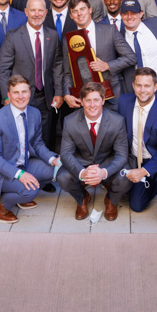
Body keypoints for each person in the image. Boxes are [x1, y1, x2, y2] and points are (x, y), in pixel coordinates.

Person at [0, 75, 61, 223]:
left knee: (56, 170)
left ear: (30, 93)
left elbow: (37, 143)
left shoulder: (34, 113)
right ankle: (0, 202)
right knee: (31, 191)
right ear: (9, 95)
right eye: (16, 93)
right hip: (0, 171)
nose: (21, 96)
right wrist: (20, 175)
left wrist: (53, 159)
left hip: (24, 163)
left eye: (24, 92)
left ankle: (18, 190)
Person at [0, 0, 64, 152]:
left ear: (46, 12)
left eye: (40, 10)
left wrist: (59, 91)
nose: (37, 14)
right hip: (20, 97)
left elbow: (57, 64)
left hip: (46, 97)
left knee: (45, 138)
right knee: (21, 139)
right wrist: (7, 96)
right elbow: (3, 69)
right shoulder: (13, 36)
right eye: (33, 10)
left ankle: (46, 172)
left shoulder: (52, 35)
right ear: (26, 12)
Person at [57, 82, 131, 221]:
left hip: (106, 162)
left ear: (103, 100)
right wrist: (82, 172)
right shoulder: (70, 121)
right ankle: (82, 198)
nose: (92, 105)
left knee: (125, 176)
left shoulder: (117, 121)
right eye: (88, 100)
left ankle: (111, 200)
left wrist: (104, 172)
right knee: (63, 177)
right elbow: (66, 153)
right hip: (82, 163)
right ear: (82, 101)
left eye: (96, 100)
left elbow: (122, 155)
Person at [119, 68, 157, 233]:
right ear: (133, 85)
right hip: (137, 157)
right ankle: (152, 183)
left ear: (156, 87)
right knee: (137, 206)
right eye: (139, 85)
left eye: (147, 86)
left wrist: (143, 171)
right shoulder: (124, 102)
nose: (142, 90)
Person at [62, 0, 137, 109]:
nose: (79, 14)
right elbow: (68, 72)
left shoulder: (109, 30)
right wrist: (67, 93)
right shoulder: (68, 39)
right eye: (75, 11)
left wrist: (107, 65)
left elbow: (131, 57)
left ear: (90, 10)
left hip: (111, 94)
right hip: (85, 99)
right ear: (71, 16)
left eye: (82, 9)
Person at [120, 0, 157, 113]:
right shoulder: (119, 37)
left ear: (141, 14)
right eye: (125, 13)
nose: (129, 17)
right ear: (121, 15)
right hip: (138, 91)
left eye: (133, 13)